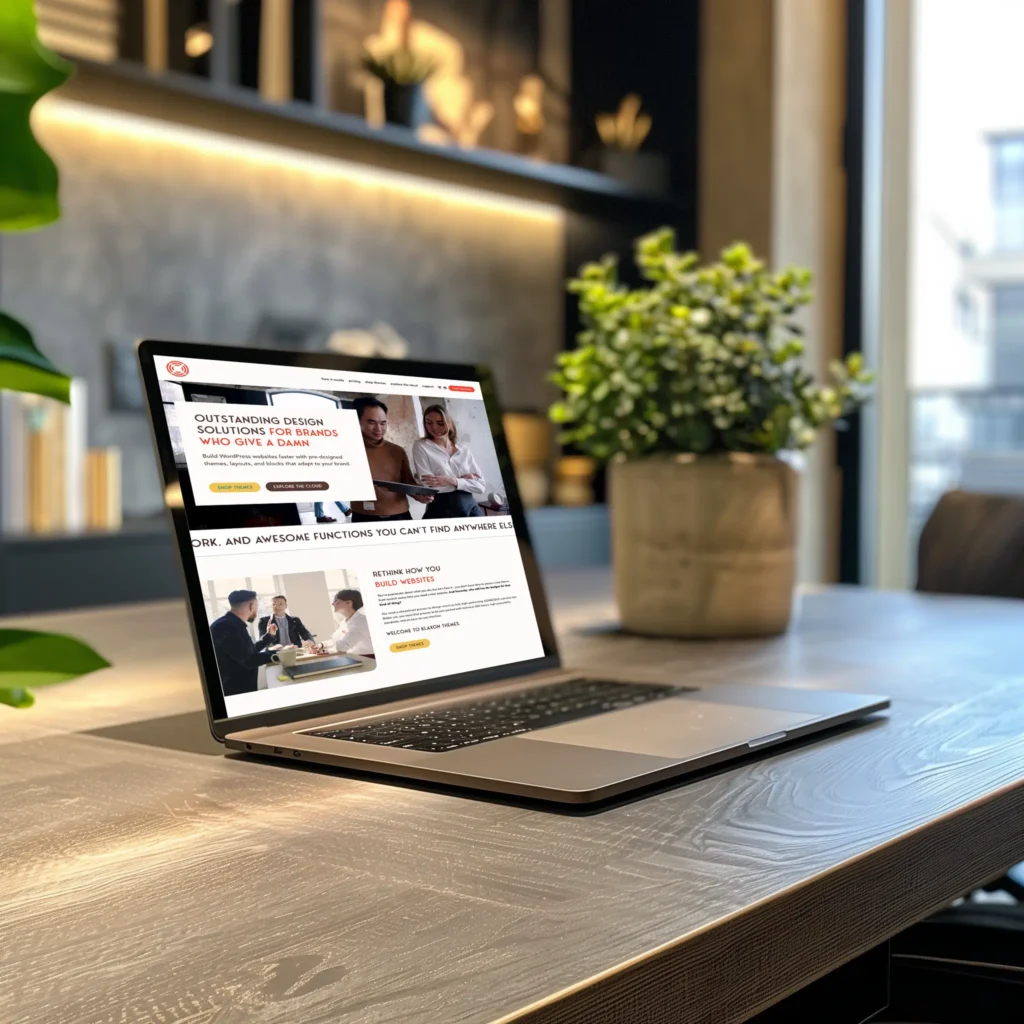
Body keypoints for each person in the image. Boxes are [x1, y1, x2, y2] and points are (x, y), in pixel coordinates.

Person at [349, 397, 433, 523]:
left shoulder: (397, 451)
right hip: (364, 516)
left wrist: (418, 494)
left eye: (383, 423)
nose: (379, 429)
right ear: (358, 421)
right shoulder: (348, 450)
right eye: (371, 422)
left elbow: (407, 482)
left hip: (400, 515)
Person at [411, 403, 487, 518]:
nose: (434, 428)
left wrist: (451, 480)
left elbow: (480, 486)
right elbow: (429, 485)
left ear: (450, 424)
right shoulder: (421, 446)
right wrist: (463, 480)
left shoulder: (463, 450)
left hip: (471, 508)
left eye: (440, 423)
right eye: (429, 423)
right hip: (441, 509)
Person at [209, 589, 276, 696]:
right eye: (256, 606)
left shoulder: (232, 624)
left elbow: (248, 652)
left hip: (241, 688)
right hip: (235, 692)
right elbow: (249, 660)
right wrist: (281, 654)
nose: (256, 610)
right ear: (252, 606)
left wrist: (269, 636)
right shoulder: (226, 626)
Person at [328, 589, 374, 656]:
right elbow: (333, 640)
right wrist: (321, 645)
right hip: (356, 658)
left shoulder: (361, 622)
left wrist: (330, 649)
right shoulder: (344, 622)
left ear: (348, 603)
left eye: (336, 601)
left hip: (370, 659)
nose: (332, 603)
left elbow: (342, 647)